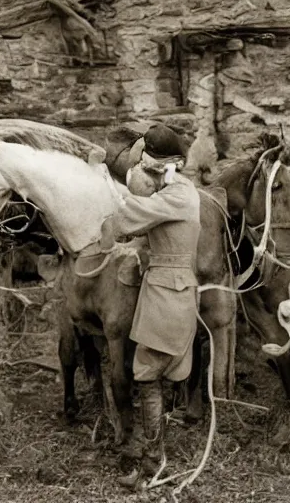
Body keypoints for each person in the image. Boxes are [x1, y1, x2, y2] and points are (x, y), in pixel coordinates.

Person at [100, 125, 200, 491]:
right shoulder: (172, 194)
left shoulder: (180, 194)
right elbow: (140, 227)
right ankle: (154, 454)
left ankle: (151, 463)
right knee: (155, 375)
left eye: (153, 167)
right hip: (162, 292)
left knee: (146, 375)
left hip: (169, 295)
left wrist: (112, 202)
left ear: (171, 166)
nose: (150, 173)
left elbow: (127, 219)